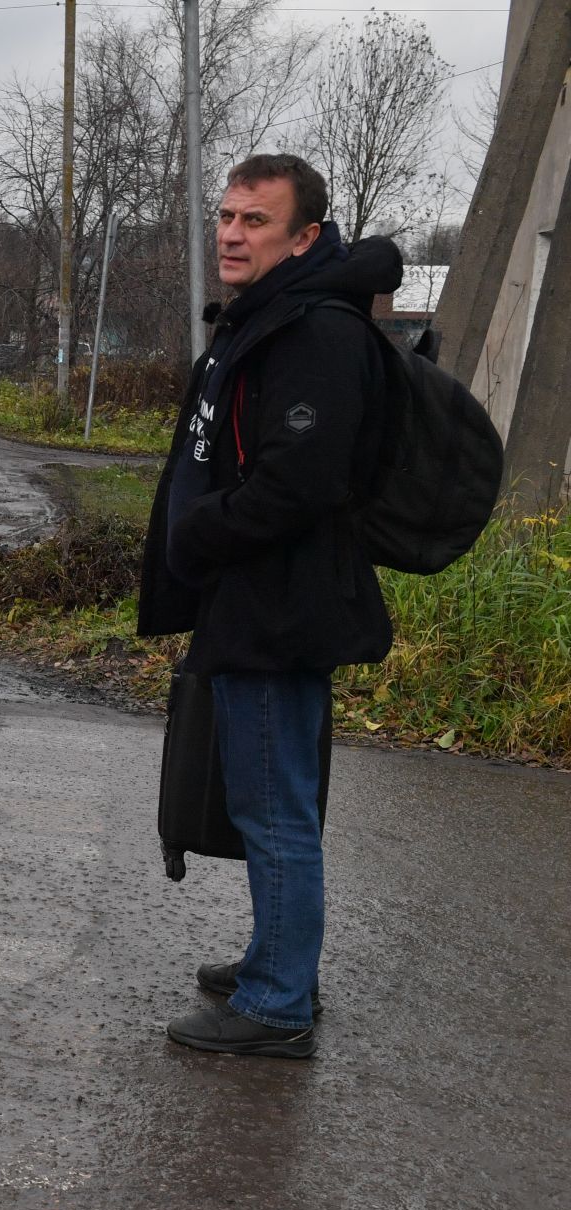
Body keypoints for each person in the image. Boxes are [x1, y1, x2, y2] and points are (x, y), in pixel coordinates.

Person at [138, 153, 401, 1059]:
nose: (232, 234)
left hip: (278, 608)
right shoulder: (265, 319)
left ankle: (278, 1006)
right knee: (269, 799)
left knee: (275, 810)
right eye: (227, 216)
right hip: (252, 600)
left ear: (305, 237)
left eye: (256, 221)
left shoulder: (315, 335)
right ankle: (273, 959)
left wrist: (199, 535)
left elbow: (302, 481)